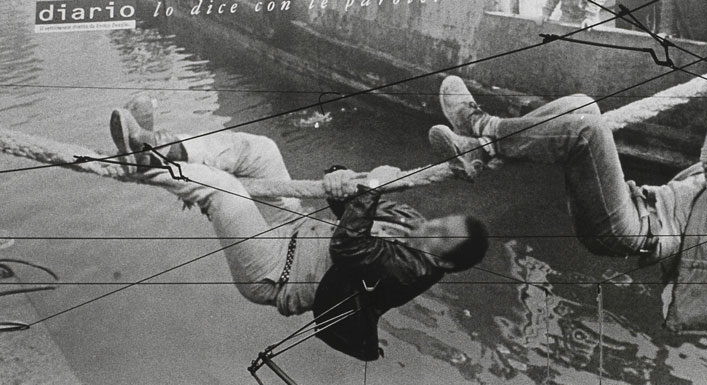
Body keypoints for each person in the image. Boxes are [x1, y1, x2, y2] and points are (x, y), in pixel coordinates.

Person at [427, 33, 707, 333]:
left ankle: (481, 127)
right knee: (580, 107)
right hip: (628, 210)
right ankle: (479, 150)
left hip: (629, 229)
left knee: (587, 127)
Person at [108, 106, 490, 361]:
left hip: (275, 272)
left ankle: (143, 167)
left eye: (440, 237)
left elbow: (348, 246)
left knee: (224, 190)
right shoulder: (411, 222)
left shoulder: (410, 271)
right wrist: (340, 176)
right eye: (442, 221)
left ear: (442, 263)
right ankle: (158, 147)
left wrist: (372, 186)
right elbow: (351, 208)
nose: (431, 227)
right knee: (262, 150)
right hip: (295, 224)